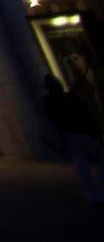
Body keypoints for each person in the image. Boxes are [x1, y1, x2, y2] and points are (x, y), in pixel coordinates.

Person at [43, 73, 103, 205]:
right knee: (100, 159)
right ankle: (100, 190)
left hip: (69, 135)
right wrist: (96, 130)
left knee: (82, 165)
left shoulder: (49, 102)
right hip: (83, 132)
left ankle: (91, 195)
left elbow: (52, 120)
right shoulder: (70, 98)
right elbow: (85, 114)